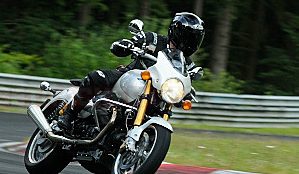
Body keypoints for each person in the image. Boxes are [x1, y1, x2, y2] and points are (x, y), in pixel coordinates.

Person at [56, 12, 205, 134]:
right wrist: (128, 44)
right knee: (96, 77)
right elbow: (127, 44)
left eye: (195, 38)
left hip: (156, 95)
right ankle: (69, 115)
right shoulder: (153, 40)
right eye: (190, 36)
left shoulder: (187, 63)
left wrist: (188, 90)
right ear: (178, 32)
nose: (192, 41)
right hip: (130, 77)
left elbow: (186, 78)